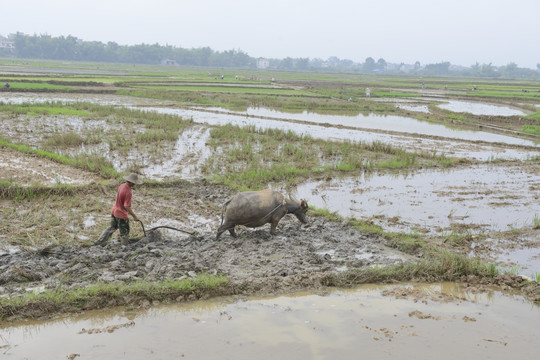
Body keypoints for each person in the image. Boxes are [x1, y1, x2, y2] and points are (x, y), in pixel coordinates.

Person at [95, 173, 143, 246]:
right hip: (121, 214)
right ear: (131, 182)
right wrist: (134, 216)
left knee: (112, 227)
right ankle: (124, 247)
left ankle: (99, 242)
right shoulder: (128, 192)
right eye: (134, 182)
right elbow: (127, 206)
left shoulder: (122, 185)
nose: (134, 184)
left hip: (114, 211)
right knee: (125, 231)